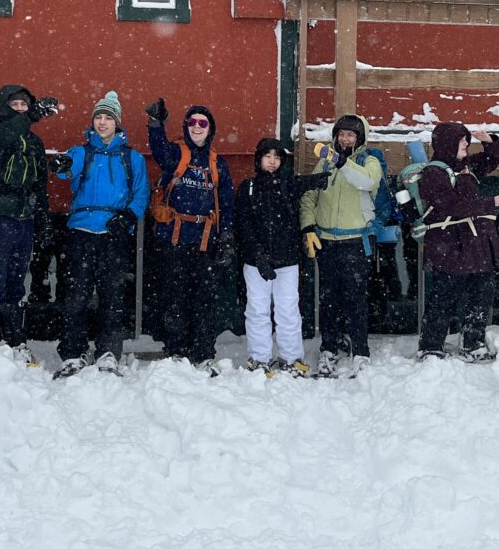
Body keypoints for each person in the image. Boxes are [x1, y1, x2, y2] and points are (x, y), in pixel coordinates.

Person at [51, 92, 149, 379]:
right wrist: (61, 167)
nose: (102, 122)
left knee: (111, 296)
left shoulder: (132, 158)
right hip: (81, 230)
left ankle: (108, 352)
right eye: (98, 117)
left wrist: (129, 216)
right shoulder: (82, 152)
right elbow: (66, 172)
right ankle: (73, 352)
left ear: (117, 123)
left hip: (113, 233)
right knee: (76, 297)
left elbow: (141, 193)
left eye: (108, 118)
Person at [0, 84, 59, 364]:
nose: (20, 109)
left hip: (25, 218)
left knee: (17, 283)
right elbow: (4, 136)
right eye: (15, 104)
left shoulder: (34, 143)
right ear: (5, 106)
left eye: (24, 105)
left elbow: (41, 184)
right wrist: (31, 116)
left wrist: (43, 218)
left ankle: (16, 340)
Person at [145, 97, 235, 376]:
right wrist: (155, 123)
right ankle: (175, 350)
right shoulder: (176, 153)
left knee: (205, 300)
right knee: (174, 298)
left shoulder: (217, 163)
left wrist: (227, 235)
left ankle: (203, 352)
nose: (197, 127)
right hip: (173, 238)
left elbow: (227, 201)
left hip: (205, 241)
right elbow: (158, 149)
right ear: (186, 126)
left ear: (211, 129)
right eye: (193, 122)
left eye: (203, 123)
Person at [416, 122, 499, 363]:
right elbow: (451, 206)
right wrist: (491, 203)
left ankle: (473, 341)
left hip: (476, 243)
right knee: (443, 296)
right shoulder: (433, 173)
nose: (466, 144)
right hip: (449, 245)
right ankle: (431, 345)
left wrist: (489, 141)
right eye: (461, 141)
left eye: (466, 140)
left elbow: (490, 161)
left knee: (481, 294)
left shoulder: (466, 168)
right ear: (446, 144)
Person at [235, 138, 329, 376]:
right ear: (259, 159)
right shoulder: (248, 187)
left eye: (277, 157)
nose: (272, 161)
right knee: (257, 310)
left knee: (288, 310)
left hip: (287, 261)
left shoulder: (289, 185)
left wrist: (322, 176)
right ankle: (259, 358)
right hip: (255, 263)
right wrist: (258, 255)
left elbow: (307, 182)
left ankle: (291, 358)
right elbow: (243, 224)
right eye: (268, 156)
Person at [299, 114, 382, 378]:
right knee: (329, 300)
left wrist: (341, 161)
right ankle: (328, 349)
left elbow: (367, 181)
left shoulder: (368, 161)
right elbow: (310, 195)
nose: (345, 139)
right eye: (341, 134)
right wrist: (308, 227)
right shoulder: (325, 162)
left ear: (360, 138)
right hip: (327, 243)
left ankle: (360, 351)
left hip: (356, 242)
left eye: (351, 135)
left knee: (356, 299)